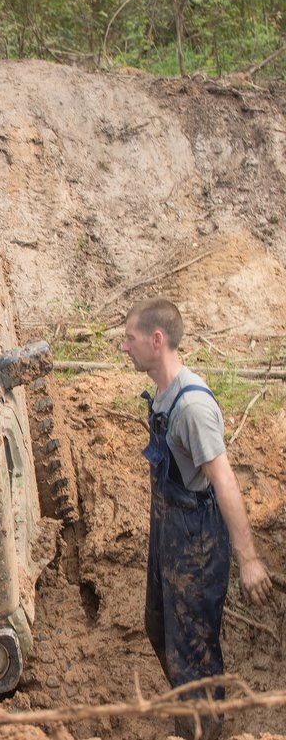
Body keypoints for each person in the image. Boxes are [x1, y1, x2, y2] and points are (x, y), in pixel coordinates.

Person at [121, 298, 272, 739]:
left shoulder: (193, 408)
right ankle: (193, 715)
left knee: (194, 650)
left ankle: (203, 730)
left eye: (130, 339)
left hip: (197, 544)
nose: (124, 347)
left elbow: (224, 480)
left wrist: (249, 559)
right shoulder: (165, 396)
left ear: (156, 340)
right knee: (159, 625)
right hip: (169, 532)